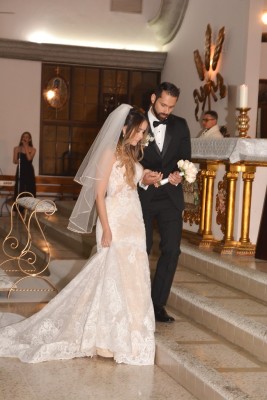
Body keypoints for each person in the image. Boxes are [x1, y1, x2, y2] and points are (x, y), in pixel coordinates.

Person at [0, 105, 155, 365]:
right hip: (116, 219)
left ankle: (131, 334)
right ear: (125, 128)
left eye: (143, 132)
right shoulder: (108, 153)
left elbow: (134, 183)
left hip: (134, 220)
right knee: (110, 275)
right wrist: (106, 227)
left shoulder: (129, 155)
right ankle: (106, 339)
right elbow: (99, 194)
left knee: (133, 274)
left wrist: (150, 179)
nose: (141, 136)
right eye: (138, 131)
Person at [138, 82, 192, 323]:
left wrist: (179, 174)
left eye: (171, 107)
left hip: (170, 196)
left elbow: (185, 159)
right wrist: (141, 175)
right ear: (153, 98)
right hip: (143, 195)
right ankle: (138, 302)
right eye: (163, 104)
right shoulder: (136, 122)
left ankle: (157, 304)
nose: (166, 111)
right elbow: (126, 154)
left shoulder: (180, 125)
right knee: (143, 248)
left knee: (172, 249)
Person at [13, 131, 36, 199]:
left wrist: (26, 147)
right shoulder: (16, 148)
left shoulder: (33, 149)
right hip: (20, 169)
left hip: (29, 170)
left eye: (27, 137)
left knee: (30, 187)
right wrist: (17, 161)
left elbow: (29, 159)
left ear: (29, 139)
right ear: (21, 138)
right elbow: (14, 161)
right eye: (23, 137)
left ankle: (30, 207)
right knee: (20, 187)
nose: (25, 138)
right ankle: (19, 207)